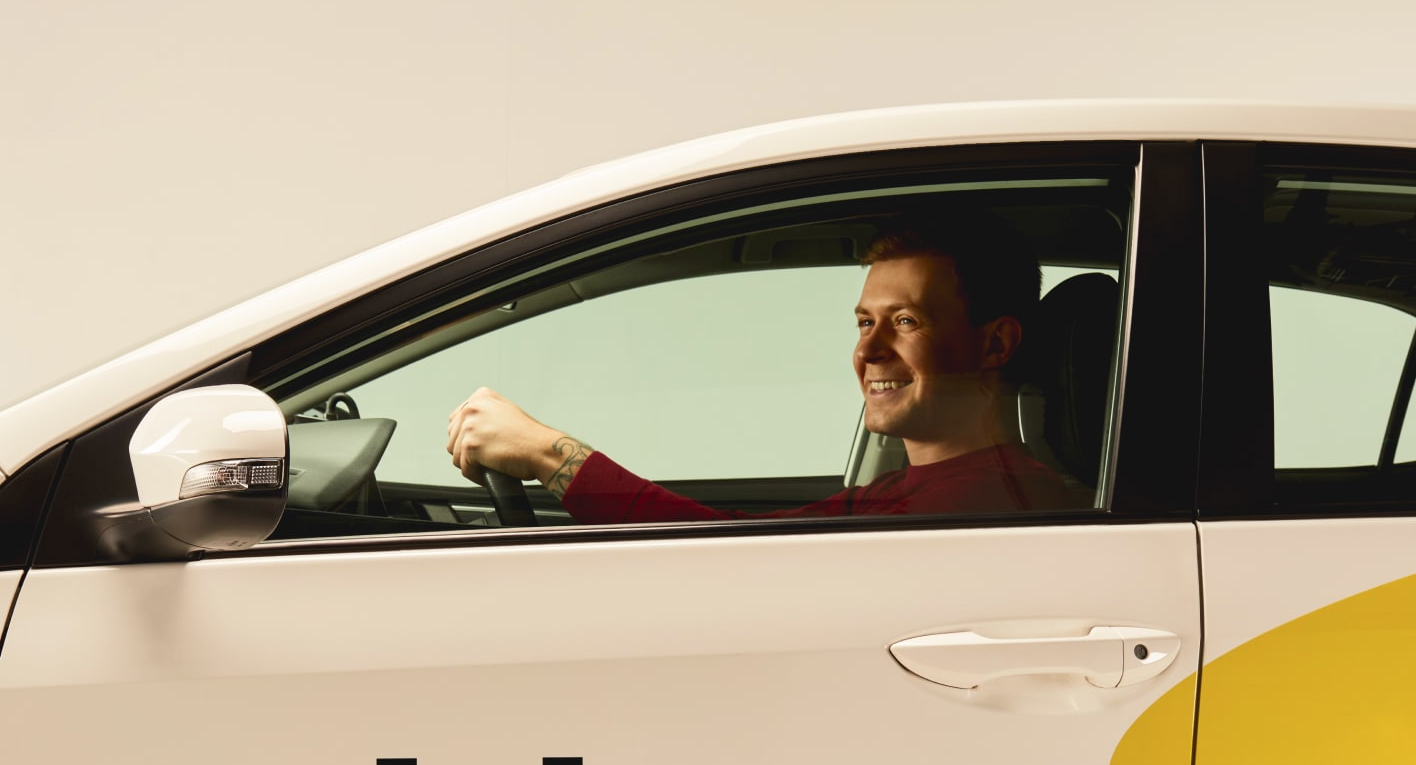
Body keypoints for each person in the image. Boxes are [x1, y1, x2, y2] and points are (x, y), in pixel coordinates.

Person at [443, 210, 1083, 523]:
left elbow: (723, 569)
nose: (869, 352)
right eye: (865, 323)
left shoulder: (979, 505)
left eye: (907, 321)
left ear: (994, 345)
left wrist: (549, 454)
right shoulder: (913, 490)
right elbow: (745, 547)